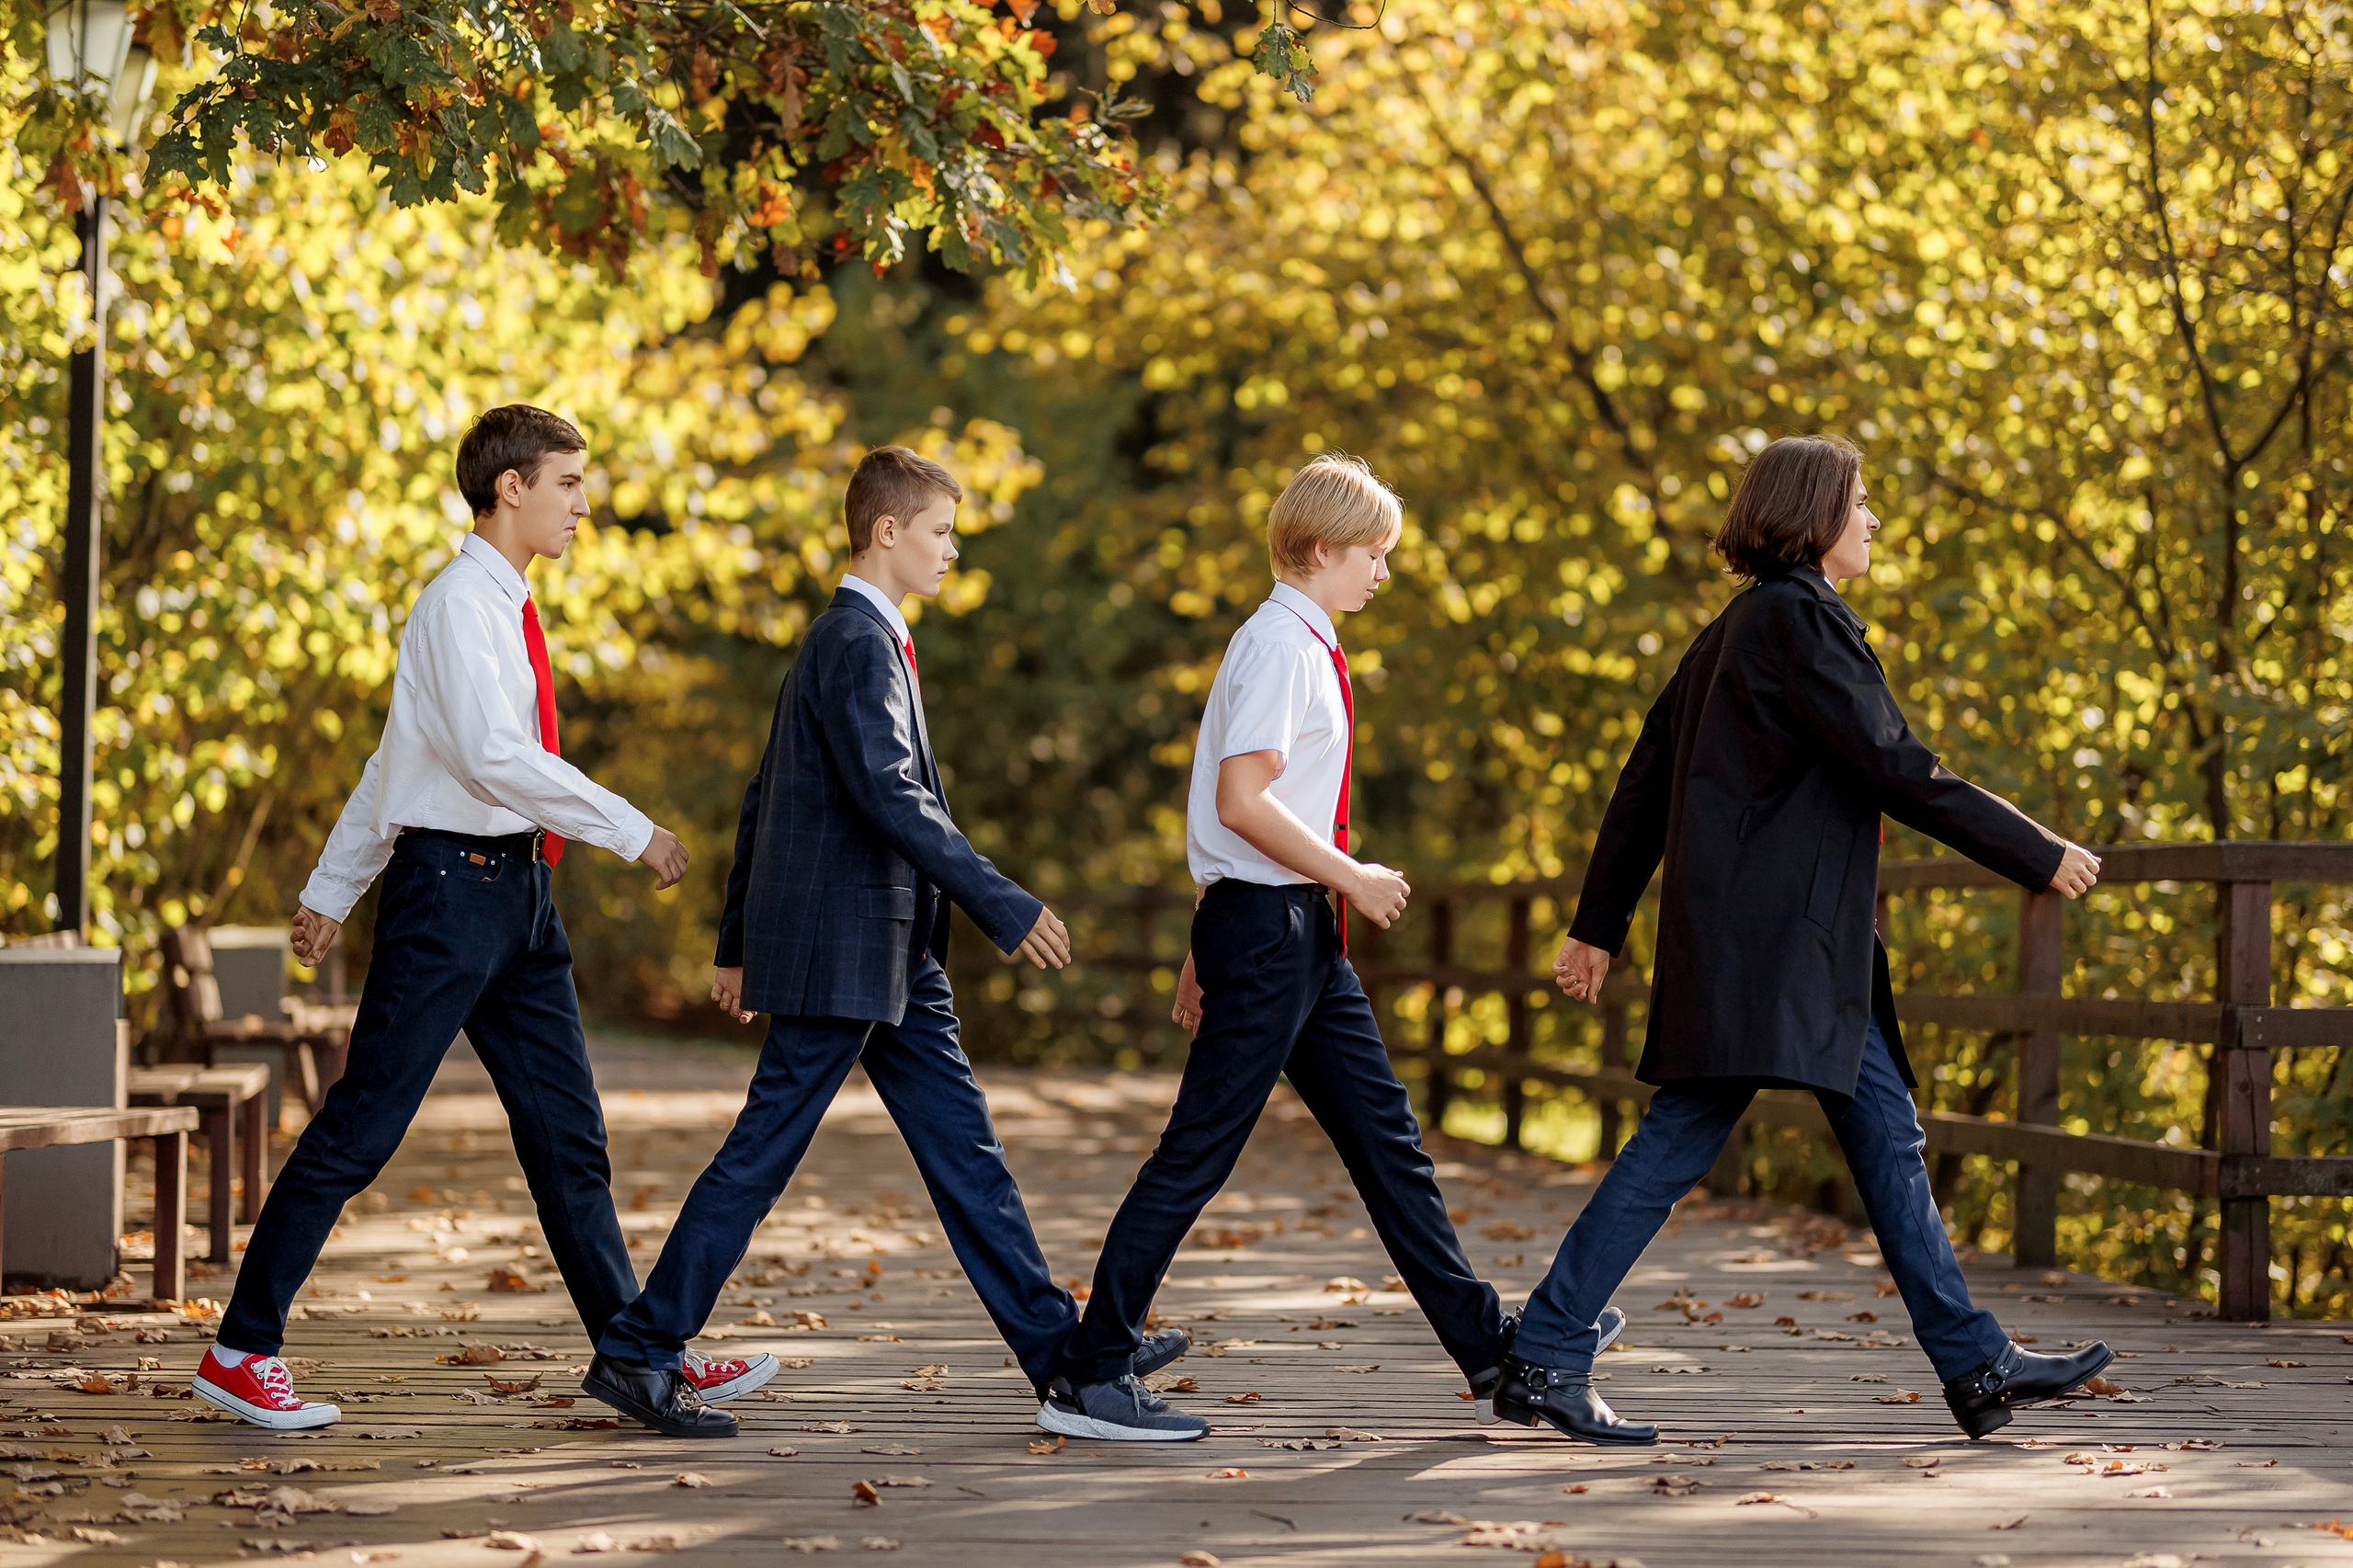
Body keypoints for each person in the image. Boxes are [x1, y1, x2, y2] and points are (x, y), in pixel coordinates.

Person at [1503, 433, 2113, 1446]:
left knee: (1885, 1139)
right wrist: (2034, 849)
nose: (1873, 519)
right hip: (1781, 954)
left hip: (1780, 953)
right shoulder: (1799, 621)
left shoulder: (1732, 630)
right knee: (1680, 1141)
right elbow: (1895, 765)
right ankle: (1549, 1346)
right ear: (1817, 513)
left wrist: (1596, 925)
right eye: (1861, 502)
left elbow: (1642, 783)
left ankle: (1974, 1362)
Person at [583, 446, 1187, 1438]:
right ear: (889, 530)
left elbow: (764, 795)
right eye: (942, 532)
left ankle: (1067, 1360)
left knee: (969, 1158)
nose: (951, 551)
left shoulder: (854, 639)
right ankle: (642, 1349)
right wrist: (1005, 902)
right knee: (761, 1157)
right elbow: (890, 796)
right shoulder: (857, 642)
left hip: (889, 953)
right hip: (846, 954)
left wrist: (736, 941)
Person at [192, 405, 757, 1430]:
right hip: (451, 897)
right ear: (511, 488)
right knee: (360, 1128)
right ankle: (241, 1346)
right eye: (569, 483)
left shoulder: (501, 606)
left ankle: (635, 1357)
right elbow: (493, 756)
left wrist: (327, 889)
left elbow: (393, 757)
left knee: (568, 1141)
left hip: (518, 902)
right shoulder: (459, 604)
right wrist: (632, 830)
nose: (583, 504)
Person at [1037, 453, 1523, 1443]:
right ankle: (1091, 1371)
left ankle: (1490, 1350)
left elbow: (1245, 818)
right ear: (1316, 550)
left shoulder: (1299, 642)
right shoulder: (1281, 647)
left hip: (1288, 932)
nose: (1381, 573)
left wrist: (1207, 939)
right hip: (1276, 929)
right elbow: (1239, 801)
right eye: (1370, 554)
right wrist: (1348, 875)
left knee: (1390, 1146)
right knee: (1197, 1151)